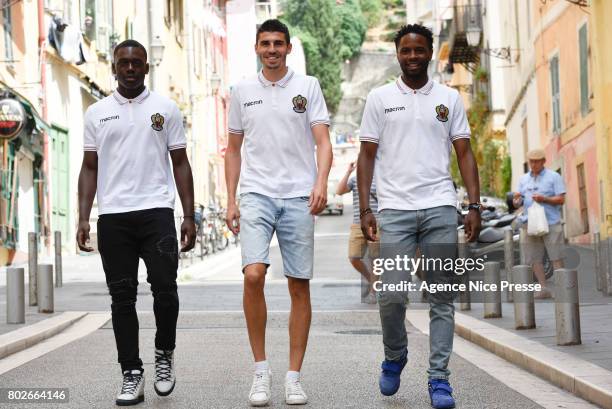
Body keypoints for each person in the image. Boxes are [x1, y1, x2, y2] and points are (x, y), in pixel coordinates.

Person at [357, 24, 481, 409]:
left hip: (440, 206)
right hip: (394, 209)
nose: (413, 56)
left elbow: (463, 153)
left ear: (430, 53)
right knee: (392, 293)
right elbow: (366, 156)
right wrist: (366, 208)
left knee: (442, 297)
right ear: (398, 54)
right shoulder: (379, 98)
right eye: (406, 51)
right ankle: (395, 354)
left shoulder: (449, 98)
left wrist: (473, 205)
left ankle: (439, 380)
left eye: (420, 50)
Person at [76, 39, 196, 406]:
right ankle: (131, 372)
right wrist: (84, 216)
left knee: (165, 288)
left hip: (157, 212)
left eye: (136, 63)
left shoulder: (165, 109)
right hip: (113, 217)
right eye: (123, 62)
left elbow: (180, 163)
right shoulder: (96, 113)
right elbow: (90, 167)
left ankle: (164, 355)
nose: (130, 68)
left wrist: (188, 215)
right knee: (121, 299)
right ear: (114, 67)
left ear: (146, 67)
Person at [224, 19, 332, 407]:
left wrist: (320, 183)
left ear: (288, 48)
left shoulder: (308, 87)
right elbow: (233, 149)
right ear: (257, 48)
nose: (272, 49)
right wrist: (231, 198)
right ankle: (260, 371)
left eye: (278, 43)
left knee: (298, 285)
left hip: (299, 195)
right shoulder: (242, 90)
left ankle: (293, 377)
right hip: (256, 193)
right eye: (265, 43)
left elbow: (323, 142)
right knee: (253, 274)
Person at [513, 148, 566, 299]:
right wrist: (517, 200)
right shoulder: (523, 179)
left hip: (551, 222)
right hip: (529, 222)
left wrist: (545, 199)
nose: (534, 164)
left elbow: (561, 199)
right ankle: (543, 288)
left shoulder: (553, 177)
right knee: (533, 258)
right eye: (531, 161)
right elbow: (519, 202)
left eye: (537, 161)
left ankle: (562, 289)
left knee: (556, 256)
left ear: (543, 161)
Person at [335, 161, 379, 304]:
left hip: (376, 224)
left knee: (375, 260)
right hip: (357, 224)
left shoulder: (381, 179)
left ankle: (374, 292)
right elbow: (339, 190)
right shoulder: (355, 179)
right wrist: (348, 171)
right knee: (353, 257)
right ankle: (369, 279)